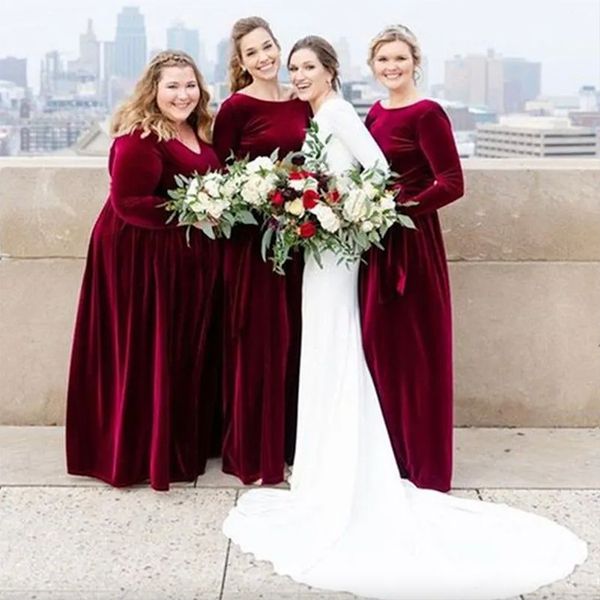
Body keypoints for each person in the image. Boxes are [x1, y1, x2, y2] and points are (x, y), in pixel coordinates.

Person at [222, 35, 587, 600]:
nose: (296, 75)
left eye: (306, 67)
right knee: (325, 346)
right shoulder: (328, 114)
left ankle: (342, 467)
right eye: (291, 67)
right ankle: (322, 464)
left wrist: (342, 213)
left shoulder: (341, 112)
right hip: (321, 252)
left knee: (337, 344)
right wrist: (306, 202)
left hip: (338, 253)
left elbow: (377, 178)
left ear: (332, 71)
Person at [66, 51, 222, 491]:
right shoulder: (138, 137)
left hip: (180, 258)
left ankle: (178, 442)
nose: (182, 94)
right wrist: (191, 213)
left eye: (189, 85)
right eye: (172, 86)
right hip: (139, 258)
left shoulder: (196, 128)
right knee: (147, 349)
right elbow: (130, 205)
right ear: (153, 90)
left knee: (175, 350)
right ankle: (140, 452)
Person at [359, 24, 463, 492]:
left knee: (418, 351)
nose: (392, 67)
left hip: (413, 245)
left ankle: (425, 464)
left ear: (415, 61)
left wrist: (398, 210)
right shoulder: (376, 113)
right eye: (383, 60)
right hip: (375, 246)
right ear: (373, 67)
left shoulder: (428, 114)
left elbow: (451, 182)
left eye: (399, 58)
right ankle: (391, 457)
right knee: (382, 349)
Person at [212, 17, 310, 485]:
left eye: (268, 47)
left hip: (298, 239)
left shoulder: (301, 100)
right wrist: (256, 195)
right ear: (242, 62)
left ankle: (292, 443)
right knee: (257, 339)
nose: (264, 58)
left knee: (295, 338)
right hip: (250, 243)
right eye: (252, 53)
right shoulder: (235, 107)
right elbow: (220, 174)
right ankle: (255, 449)